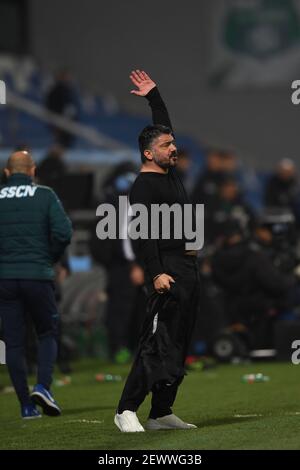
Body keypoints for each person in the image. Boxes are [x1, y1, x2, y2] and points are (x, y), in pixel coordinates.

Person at [114, 70, 200, 432]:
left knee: (179, 343)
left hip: (186, 268)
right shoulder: (144, 187)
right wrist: (155, 272)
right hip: (165, 269)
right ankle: (126, 409)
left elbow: (163, 125)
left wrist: (155, 96)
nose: (173, 148)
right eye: (166, 146)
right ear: (149, 153)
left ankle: (161, 411)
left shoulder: (170, 174)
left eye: (173, 144)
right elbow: (142, 233)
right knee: (157, 342)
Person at [0, 151, 72, 419]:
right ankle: (43, 386)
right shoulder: (45, 195)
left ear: (7, 173)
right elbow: (64, 232)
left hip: (5, 280)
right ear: (32, 171)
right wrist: (48, 258)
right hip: (38, 275)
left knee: (15, 344)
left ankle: (26, 406)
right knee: (46, 333)